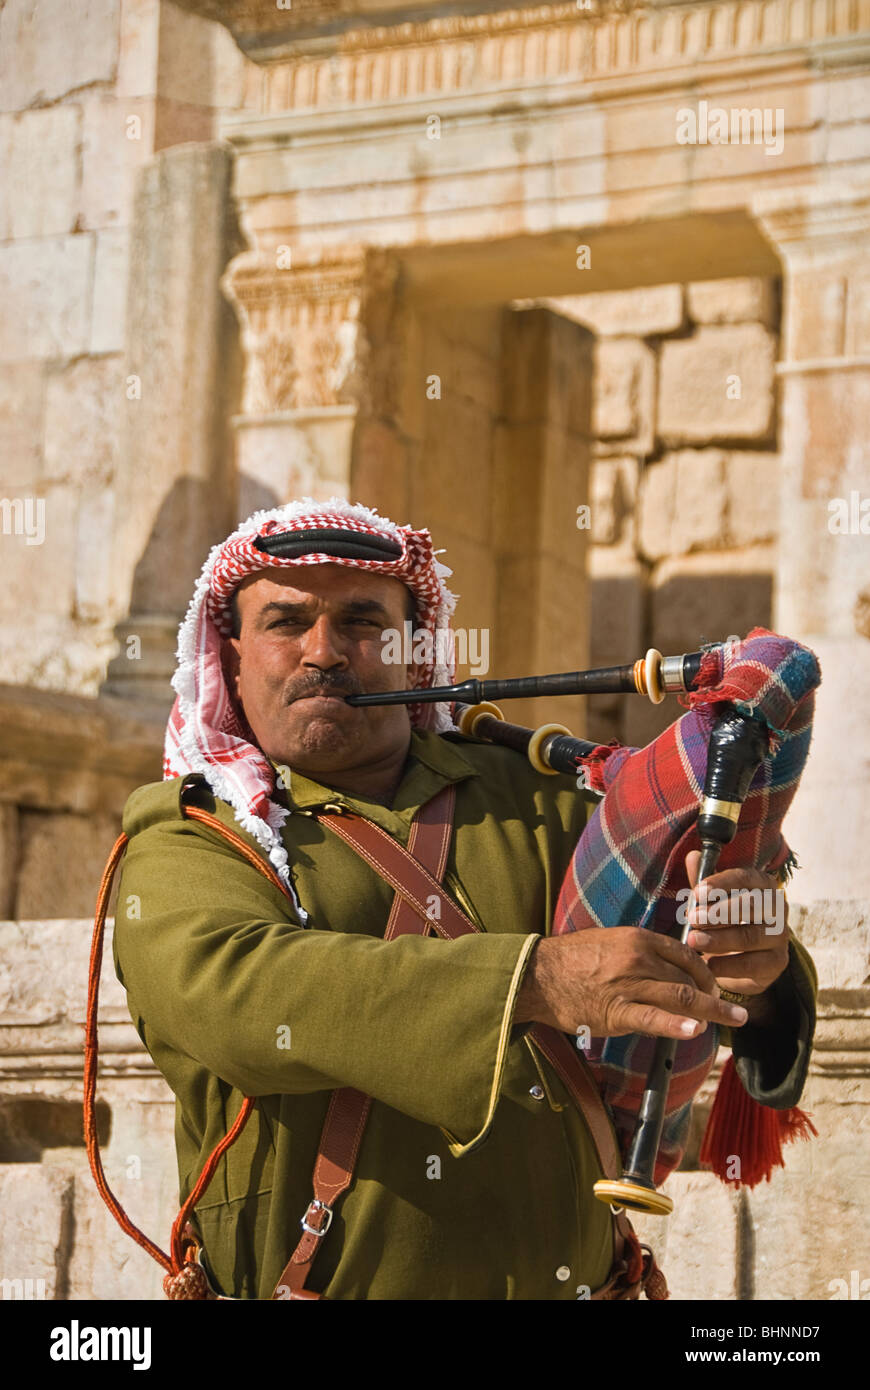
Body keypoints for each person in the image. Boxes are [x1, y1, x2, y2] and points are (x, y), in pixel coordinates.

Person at [113, 498, 816, 1300]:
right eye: (284, 621)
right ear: (229, 654)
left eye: (362, 621)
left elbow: (666, 931)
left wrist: (752, 964)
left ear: (415, 650)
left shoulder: (540, 799)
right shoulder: (194, 836)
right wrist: (536, 982)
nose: (324, 652)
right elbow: (236, 992)